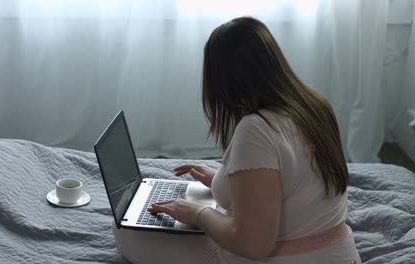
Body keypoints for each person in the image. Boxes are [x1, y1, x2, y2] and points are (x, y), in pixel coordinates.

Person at [112, 16, 361, 264]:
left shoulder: (257, 129)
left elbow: (254, 246)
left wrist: (199, 213)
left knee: (123, 229)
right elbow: (290, 178)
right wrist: (222, 180)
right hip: (341, 254)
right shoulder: (314, 104)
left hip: (286, 257)